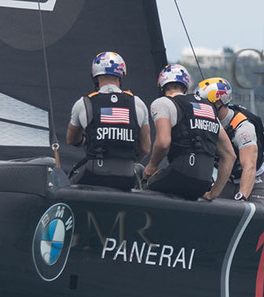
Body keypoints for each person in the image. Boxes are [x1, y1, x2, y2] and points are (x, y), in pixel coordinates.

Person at [142, 63, 234, 200]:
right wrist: (213, 193)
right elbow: (229, 155)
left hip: (179, 175)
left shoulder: (162, 103)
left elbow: (163, 143)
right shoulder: (208, 107)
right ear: (185, 87)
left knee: (142, 174)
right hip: (203, 184)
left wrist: (151, 167)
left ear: (162, 85)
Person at [65, 51, 151, 190]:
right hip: (127, 174)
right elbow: (145, 148)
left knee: (67, 180)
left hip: (93, 174)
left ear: (94, 77)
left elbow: (71, 139)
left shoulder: (83, 103)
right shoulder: (138, 103)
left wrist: (85, 141)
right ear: (121, 74)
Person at [197, 76, 264, 202]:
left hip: (254, 178)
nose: (201, 107)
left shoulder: (243, 128)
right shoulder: (205, 121)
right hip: (228, 178)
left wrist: (242, 196)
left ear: (218, 103)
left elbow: (249, 166)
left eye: (204, 102)